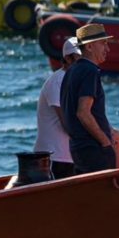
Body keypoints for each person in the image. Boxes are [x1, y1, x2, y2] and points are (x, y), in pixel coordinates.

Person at [60, 23, 119, 174]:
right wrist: (106, 143)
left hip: (77, 148)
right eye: (103, 44)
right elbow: (83, 112)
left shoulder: (71, 70)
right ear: (89, 47)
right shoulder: (90, 70)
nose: (107, 49)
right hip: (94, 149)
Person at [34, 36, 82, 179]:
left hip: (68, 157)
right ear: (68, 59)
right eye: (80, 57)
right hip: (53, 158)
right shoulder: (57, 81)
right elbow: (68, 124)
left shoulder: (74, 81)